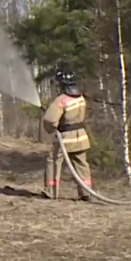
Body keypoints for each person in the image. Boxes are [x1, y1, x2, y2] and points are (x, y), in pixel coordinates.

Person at [41, 65, 93, 201]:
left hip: (65, 138)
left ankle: (51, 191)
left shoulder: (61, 100)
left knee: (53, 160)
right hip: (81, 136)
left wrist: (52, 128)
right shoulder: (81, 97)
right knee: (81, 163)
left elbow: (50, 120)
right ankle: (87, 192)